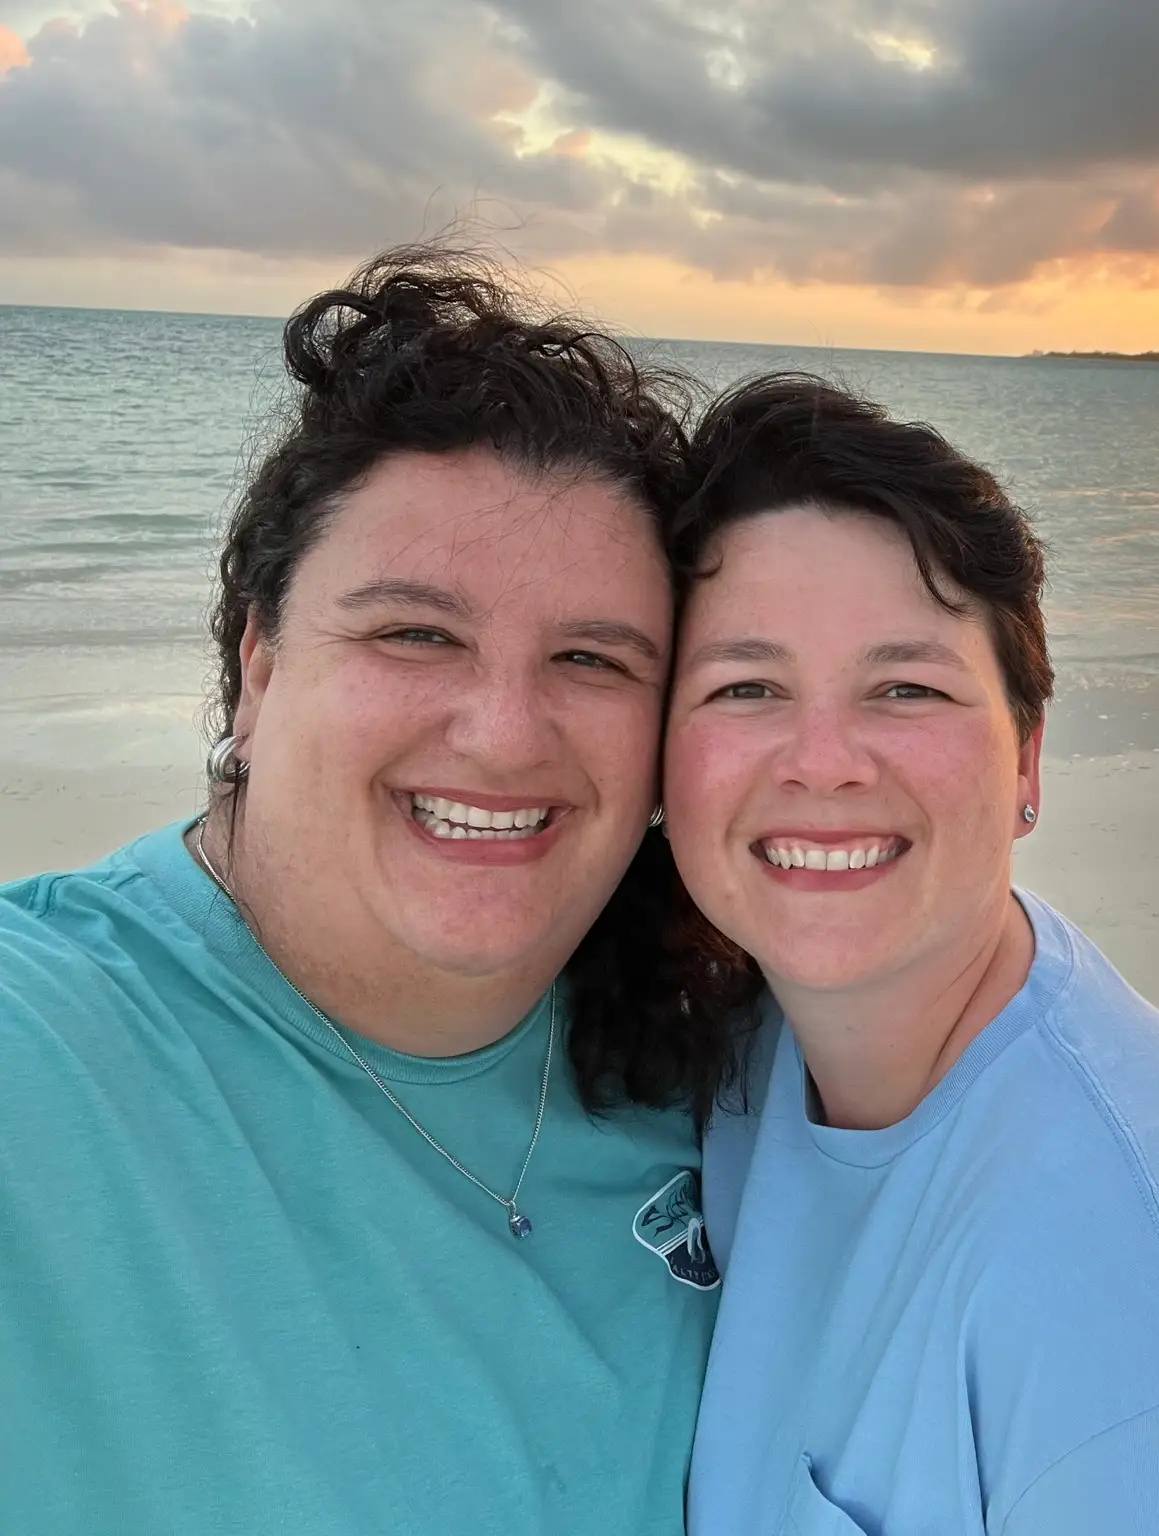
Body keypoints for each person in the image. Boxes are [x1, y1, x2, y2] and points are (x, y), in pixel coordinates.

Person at [0, 248, 744, 1533]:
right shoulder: (48, 1049)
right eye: (415, 634)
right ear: (259, 670)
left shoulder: (711, 1079)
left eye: (590, 658)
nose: (506, 734)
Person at [668, 376, 1159, 1534]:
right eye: (746, 687)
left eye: (904, 687)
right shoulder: (741, 1056)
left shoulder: (1156, 1350)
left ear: (1025, 761)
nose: (822, 762)